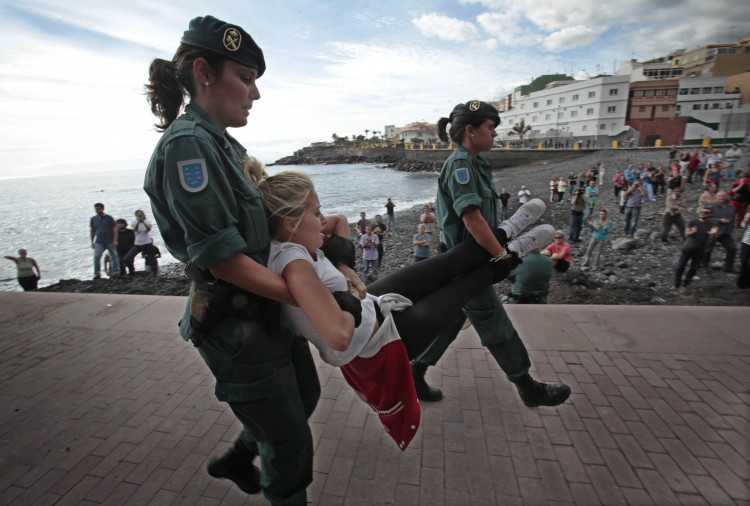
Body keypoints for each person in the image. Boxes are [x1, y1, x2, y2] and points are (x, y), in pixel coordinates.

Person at [142, 16, 320, 505]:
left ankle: (239, 457)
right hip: (235, 325)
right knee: (289, 444)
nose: (255, 94)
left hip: (265, 311)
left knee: (305, 397)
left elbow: (259, 229)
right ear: (204, 71)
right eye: (245, 78)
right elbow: (223, 260)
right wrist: (314, 299)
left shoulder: (221, 142)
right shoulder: (189, 147)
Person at [256, 171, 552, 448]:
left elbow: (338, 221)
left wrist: (345, 266)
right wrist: (346, 302)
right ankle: (514, 252)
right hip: (379, 343)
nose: (323, 219)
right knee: (463, 287)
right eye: (316, 212)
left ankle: (505, 230)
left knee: (445, 264)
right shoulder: (295, 266)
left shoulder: (290, 239)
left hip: (371, 305)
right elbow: (337, 338)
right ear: (290, 222)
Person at [409, 100, 570, 408]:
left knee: (452, 319)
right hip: (466, 263)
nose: (495, 134)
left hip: (468, 259)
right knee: (495, 322)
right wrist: (501, 256)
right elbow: (472, 219)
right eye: (490, 128)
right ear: (471, 130)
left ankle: (416, 370)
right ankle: (527, 385)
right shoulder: (461, 165)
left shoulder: (474, 163)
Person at [674, 208, 718, 288]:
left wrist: (713, 234)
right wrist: (693, 231)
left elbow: (714, 237)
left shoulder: (712, 224)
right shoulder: (693, 221)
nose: (703, 213)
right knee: (681, 265)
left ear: (710, 214)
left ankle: (686, 283)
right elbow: (686, 234)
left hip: (700, 249)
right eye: (701, 211)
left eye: (706, 212)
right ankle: (676, 283)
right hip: (688, 247)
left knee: (694, 267)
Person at [704, 192, 737, 272]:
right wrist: (719, 220)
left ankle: (728, 267)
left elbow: (733, 219)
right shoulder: (712, 207)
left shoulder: (731, 207)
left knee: (732, 248)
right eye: (720, 196)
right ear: (716, 197)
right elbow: (707, 219)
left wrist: (731, 229)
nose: (722, 197)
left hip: (726, 232)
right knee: (708, 248)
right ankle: (704, 264)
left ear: (726, 197)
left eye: (723, 196)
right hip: (714, 231)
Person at [90, 203, 119, 279]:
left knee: (114, 256)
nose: (97, 210)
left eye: (99, 209)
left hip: (110, 241)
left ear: (103, 209)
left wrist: (115, 240)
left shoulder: (109, 218)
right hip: (99, 242)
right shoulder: (93, 219)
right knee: (96, 257)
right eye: (96, 209)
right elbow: (92, 231)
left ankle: (116, 272)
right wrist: (92, 242)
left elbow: (115, 229)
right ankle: (97, 274)